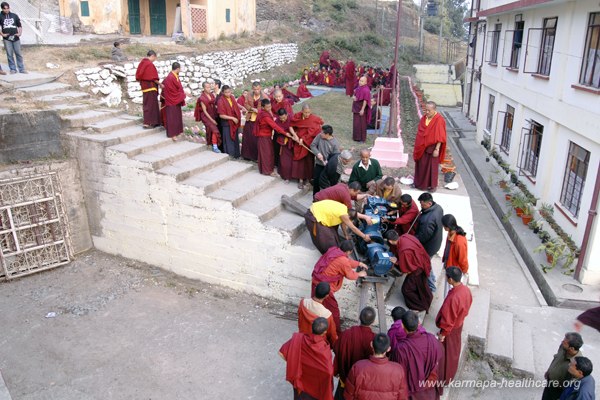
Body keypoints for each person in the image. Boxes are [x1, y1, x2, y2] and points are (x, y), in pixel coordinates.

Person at [311, 240, 369, 333]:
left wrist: (359, 263)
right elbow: (350, 274)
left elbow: (347, 261)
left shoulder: (334, 250)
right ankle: (336, 330)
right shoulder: (343, 260)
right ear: (349, 252)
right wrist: (359, 274)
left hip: (317, 280)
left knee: (317, 304)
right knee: (334, 310)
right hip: (324, 287)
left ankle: (319, 323)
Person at [279, 317, 334, 400]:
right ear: (324, 332)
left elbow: (281, 353)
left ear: (312, 327)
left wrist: (294, 362)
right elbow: (329, 372)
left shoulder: (299, 339)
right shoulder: (324, 349)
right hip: (316, 389)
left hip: (300, 384)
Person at [390, 311, 441, 400]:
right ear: (418, 324)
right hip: (428, 385)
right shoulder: (431, 339)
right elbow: (438, 355)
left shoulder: (401, 349)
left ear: (403, 326)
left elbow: (399, 372)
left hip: (412, 389)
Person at [435, 267, 472, 385]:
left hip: (450, 329)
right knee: (454, 350)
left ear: (450, 279)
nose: (446, 279)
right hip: (458, 325)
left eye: (446, 277)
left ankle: (445, 378)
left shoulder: (453, 298)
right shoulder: (465, 290)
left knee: (447, 354)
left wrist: (443, 334)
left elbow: (448, 319)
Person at [344, 333, 409, 400]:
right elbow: (403, 397)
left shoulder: (357, 367)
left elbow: (348, 395)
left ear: (371, 344)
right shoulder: (398, 370)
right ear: (388, 349)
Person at [332, 307, 376, 399]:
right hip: (363, 384)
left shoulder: (347, 334)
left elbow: (337, 349)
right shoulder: (374, 340)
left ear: (359, 318)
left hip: (345, 378)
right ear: (373, 322)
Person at [386, 231, 433, 315]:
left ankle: (419, 306)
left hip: (417, 270)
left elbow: (407, 269)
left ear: (390, 241)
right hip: (423, 261)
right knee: (422, 286)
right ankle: (427, 299)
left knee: (406, 289)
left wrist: (397, 261)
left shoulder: (404, 250)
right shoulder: (406, 236)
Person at [305, 200, 372, 255]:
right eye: (350, 220)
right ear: (348, 217)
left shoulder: (344, 209)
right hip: (313, 215)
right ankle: (329, 255)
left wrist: (346, 235)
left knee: (334, 234)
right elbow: (353, 228)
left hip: (316, 208)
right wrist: (364, 236)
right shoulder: (344, 215)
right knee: (329, 241)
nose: (349, 221)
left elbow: (343, 223)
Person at [413, 101, 447, 192]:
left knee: (432, 168)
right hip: (422, 146)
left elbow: (441, 136)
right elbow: (420, 133)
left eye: (429, 111)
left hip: (432, 148)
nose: (427, 112)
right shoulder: (424, 118)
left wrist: (437, 149)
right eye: (426, 110)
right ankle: (420, 184)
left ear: (434, 110)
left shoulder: (439, 120)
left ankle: (432, 186)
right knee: (421, 165)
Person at [415, 192, 444, 292]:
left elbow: (423, 236)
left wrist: (414, 240)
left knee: (425, 265)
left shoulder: (428, 219)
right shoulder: (439, 208)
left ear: (429, 204)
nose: (421, 206)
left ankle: (431, 286)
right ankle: (433, 278)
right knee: (428, 263)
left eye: (422, 205)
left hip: (429, 246)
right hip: (436, 241)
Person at [290, 104, 324, 189]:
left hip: (308, 142)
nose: (307, 114)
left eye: (308, 112)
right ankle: (300, 179)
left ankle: (308, 179)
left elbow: (313, 131)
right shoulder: (297, 116)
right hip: (298, 142)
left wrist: (303, 139)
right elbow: (290, 126)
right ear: (302, 111)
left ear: (311, 111)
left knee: (309, 161)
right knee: (300, 162)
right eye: (305, 112)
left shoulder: (314, 119)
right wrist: (295, 136)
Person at [542, 332, 584, 400]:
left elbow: (572, 385)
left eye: (565, 342)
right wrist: (549, 370)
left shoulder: (577, 364)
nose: (562, 342)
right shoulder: (563, 347)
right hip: (549, 383)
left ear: (572, 349)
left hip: (558, 390)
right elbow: (556, 358)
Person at [255, 98, 287, 176]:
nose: (269, 108)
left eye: (270, 106)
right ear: (263, 107)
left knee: (266, 153)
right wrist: (285, 133)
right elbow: (274, 126)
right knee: (267, 154)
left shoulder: (263, 113)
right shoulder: (265, 116)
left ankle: (264, 170)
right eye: (267, 107)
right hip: (264, 136)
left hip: (266, 136)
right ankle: (268, 171)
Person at [441, 214, 468, 297]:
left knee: (451, 295)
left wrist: (463, 271)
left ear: (447, 227)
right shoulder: (450, 234)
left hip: (454, 272)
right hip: (449, 267)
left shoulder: (459, 241)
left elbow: (463, 259)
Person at [311, 125, 341, 196]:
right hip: (319, 164)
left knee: (326, 183)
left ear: (327, 134)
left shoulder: (335, 143)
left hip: (328, 166)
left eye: (322, 133)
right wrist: (317, 153)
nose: (320, 134)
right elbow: (313, 145)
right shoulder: (319, 136)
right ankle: (315, 198)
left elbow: (335, 157)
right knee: (316, 181)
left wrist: (328, 162)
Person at [241, 81, 268, 161]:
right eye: (255, 89)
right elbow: (245, 104)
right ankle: (247, 156)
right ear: (252, 89)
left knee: (256, 139)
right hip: (250, 118)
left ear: (260, 88)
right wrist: (251, 108)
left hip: (259, 120)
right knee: (247, 137)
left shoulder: (264, 97)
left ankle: (256, 157)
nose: (256, 91)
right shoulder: (249, 95)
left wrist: (258, 111)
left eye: (258, 89)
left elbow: (267, 108)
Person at [135, 50, 162, 129]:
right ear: (152, 56)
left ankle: (153, 122)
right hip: (151, 87)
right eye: (155, 58)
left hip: (144, 87)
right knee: (151, 105)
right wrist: (160, 84)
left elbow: (139, 76)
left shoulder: (142, 63)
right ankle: (149, 122)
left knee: (147, 104)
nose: (154, 60)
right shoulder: (149, 64)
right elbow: (153, 78)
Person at [161, 62, 186, 141]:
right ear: (178, 69)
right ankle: (172, 134)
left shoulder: (174, 76)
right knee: (172, 117)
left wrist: (182, 93)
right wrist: (182, 95)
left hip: (175, 100)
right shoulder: (170, 77)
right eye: (180, 69)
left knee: (177, 116)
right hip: (172, 100)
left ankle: (177, 131)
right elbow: (172, 91)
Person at [194, 81, 221, 153]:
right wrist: (212, 120)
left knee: (210, 130)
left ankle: (210, 143)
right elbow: (205, 111)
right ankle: (215, 146)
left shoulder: (212, 95)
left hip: (212, 114)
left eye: (209, 87)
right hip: (206, 116)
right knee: (214, 129)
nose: (209, 88)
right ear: (204, 88)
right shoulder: (202, 98)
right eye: (207, 87)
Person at [216, 85, 242, 158]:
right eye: (226, 92)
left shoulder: (232, 97)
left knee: (235, 139)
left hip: (234, 123)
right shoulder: (221, 100)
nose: (228, 94)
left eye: (229, 92)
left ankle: (236, 155)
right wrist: (232, 118)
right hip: (226, 123)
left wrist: (242, 108)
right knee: (228, 140)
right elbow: (221, 115)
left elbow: (235, 106)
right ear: (222, 92)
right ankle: (230, 156)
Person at [0, 2, 25, 74]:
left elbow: (19, 25)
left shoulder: (14, 15)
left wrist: (20, 33)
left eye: (8, 8)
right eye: (5, 9)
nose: (7, 10)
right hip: (7, 38)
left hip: (15, 37)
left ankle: (21, 69)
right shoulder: (0, 16)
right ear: (2, 9)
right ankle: (13, 69)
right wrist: (2, 34)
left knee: (18, 53)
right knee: (9, 54)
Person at [352, 76, 371, 143]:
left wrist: (362, 109)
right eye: (360, 80)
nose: (360, 82)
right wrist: (354, 97)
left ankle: (362, 138)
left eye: (362, 81)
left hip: (361, 108)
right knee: (356, 123)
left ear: (365, 82)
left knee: (362, 124)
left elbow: (365, 100)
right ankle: (356, 137)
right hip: (356, 107)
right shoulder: (359, 88)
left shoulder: (366, 90)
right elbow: (355, 95)